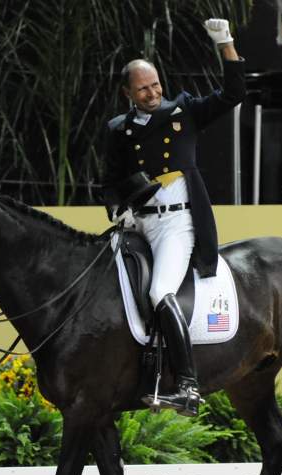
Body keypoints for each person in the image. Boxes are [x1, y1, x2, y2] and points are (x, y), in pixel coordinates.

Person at [101, 18, 245, 416]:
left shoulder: (184, 110)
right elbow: (109, 181)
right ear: (127, 92)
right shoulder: (119, 130)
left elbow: (234, 92)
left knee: (158, 292)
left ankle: (187, 385)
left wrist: (225, 43)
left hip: (177, 224)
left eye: (155, 84)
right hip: (138, 223)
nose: (152, 93)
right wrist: (118, 209)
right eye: (143, 88)